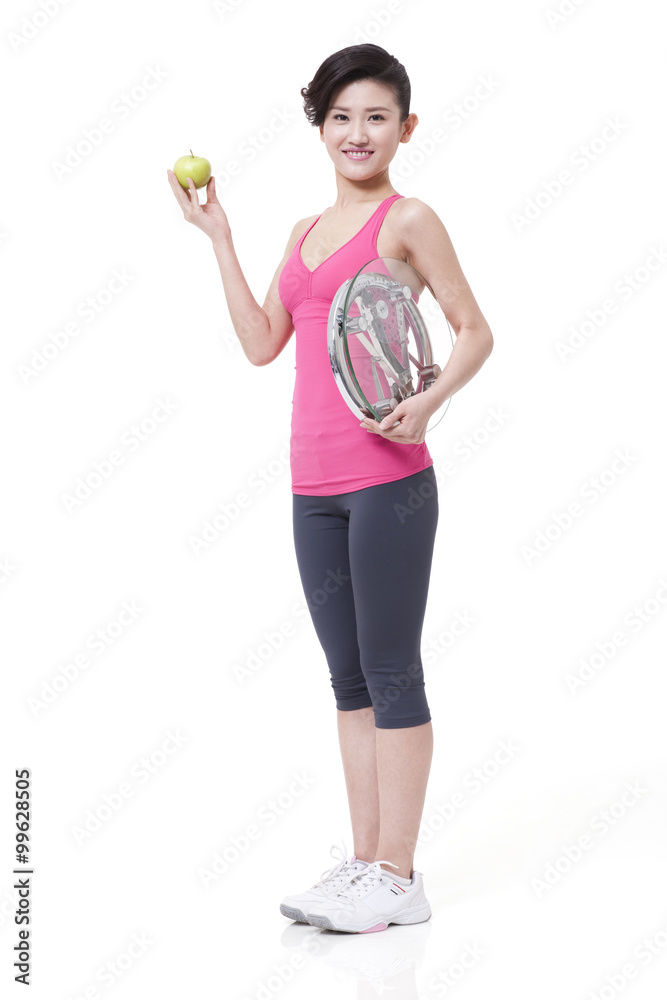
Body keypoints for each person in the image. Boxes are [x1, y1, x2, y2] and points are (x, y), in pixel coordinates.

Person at [167, 43, 493, 934]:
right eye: (341, 116)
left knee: (391, 672)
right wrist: (221, 238)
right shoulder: (301, 234)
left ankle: (399, 873)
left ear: (405, 128)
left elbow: (473, 330)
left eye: (376, 116)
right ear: (319, 125)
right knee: (346, 680)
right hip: (311, 487)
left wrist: (427, 405)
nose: (358, 132)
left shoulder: (408, 220)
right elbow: (261, 341)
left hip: (389, 482)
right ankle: (362, 867)